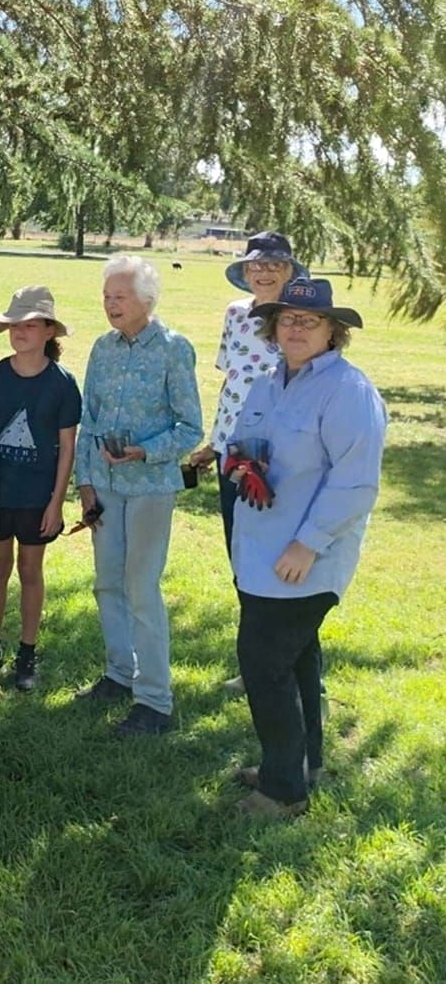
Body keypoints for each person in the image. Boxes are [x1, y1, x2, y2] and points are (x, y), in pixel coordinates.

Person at [228, 278, 386, 817]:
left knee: (264, 663)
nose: (295, 328)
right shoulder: (270, 382)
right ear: (273, 328)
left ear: (332, 332)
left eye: (309, 320)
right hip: (260, 555)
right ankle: (300, 765)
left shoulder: (348, 390)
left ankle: (282, 792)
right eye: (287, 319)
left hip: (302, 561)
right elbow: (248, 443)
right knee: (295, 663)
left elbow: (356, 483)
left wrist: (307, 544)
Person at [74, 257, 203, 736]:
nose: (110, 305)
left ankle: (155, 701)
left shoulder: (173, 349)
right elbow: (89, 420)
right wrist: (85, 484)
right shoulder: (102, 349)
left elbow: (191, 427)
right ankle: (118, 676)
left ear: (147, 301)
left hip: (150, 489)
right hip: (105, 488)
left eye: (120, 297)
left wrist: (143, 452)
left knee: (140, 590)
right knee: (107, 584)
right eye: (107, 296)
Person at [189, 232, 310, 694]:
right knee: (243, 561)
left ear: (289, 272)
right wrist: (215, 443)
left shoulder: (299, 321)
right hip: (232, 455)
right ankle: (256, 664)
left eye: (274, 266)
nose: (263, 273)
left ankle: (298, 670)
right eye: (256, 266)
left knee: (282, 566)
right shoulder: (235, 315)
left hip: (277, 457)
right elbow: (232, 384)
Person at [0, 286, 82, 692]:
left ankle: (27, 653)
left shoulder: (62, 384)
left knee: (31, 571)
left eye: (30, 325)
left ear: (49, 332)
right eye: (15, 325)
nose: (20, 332)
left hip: (36, 497)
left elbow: (67, 447)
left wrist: (57, 502)